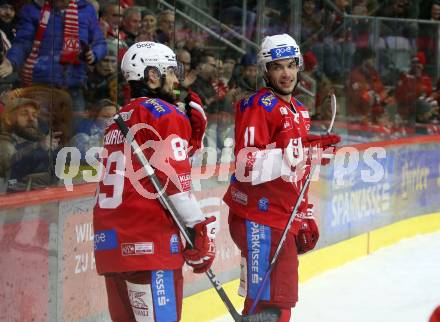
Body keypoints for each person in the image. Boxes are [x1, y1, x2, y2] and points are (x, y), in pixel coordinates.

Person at [93, 41, 216, 322]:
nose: (176, 80)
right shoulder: (165, 113)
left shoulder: (117, 119)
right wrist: (198, 229)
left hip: (112, 247)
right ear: (151, 76)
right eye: (172, 72)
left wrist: (190, 140)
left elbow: (151, 168)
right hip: (150, 246)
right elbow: (174, 183)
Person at [223, 34, 340, 321]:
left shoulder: (299, 110)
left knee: (273, 302)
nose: (286, 73)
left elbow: (296, 171)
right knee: (272, 306)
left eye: (291, 65)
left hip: (279, 216)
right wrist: (300, 151)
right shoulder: (257, 106)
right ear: (266, 70)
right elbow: (246, 167)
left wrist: (303, 215)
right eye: (277, 66)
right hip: (258, 217)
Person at [0, 0, 107, 111]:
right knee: (41, 126)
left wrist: (94, 54)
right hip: (41, 86)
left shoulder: (86, 9)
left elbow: (99, 42)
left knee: (74, 126)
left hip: (74, 86)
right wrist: (11, 62)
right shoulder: (33, 9)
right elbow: (23, 42)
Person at [0, 97, 61, 192]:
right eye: (24, 114)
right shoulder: (5, 145)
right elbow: (11, 167)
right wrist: (38, 147)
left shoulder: (37, 139)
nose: (31, 119)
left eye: (34, 115)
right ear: (8, 119)